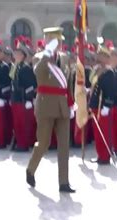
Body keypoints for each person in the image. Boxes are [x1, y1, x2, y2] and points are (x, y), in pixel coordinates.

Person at [26, 27, 76, 193]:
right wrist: (47, 53)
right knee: (44, 143)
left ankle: (64, 182)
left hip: (63, 105)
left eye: (59, 41)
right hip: (46, 104)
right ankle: (31, 169)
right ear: (46, 40)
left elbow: (68, 82)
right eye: (54, 41)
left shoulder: (65, 57)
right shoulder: (38, 57)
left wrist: (71, 102)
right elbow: (38, 75)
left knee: (64, 145)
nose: (58, 44)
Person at [89, 44, 116, 165]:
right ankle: (100, 155)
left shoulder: (109, 72)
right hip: (95, 105)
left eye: (101, 55)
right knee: (97, 133)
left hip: (103, 106)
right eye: (98, 54)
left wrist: (107, 105)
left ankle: (105, 156)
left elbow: (111, 91)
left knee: (104, 132)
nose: (98, 57)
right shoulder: (97, 70)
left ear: (106, 58)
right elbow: (94, 86)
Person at [11, 37, 36, 151]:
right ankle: (20, 142)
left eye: (18, 53)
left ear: (23, 55)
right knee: (17, 123)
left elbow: (31, 85)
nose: (15, 55)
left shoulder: (26, 68)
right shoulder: (15, 67)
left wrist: (28, 99)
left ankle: (24, 144)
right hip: (15, 98)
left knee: (24, 123)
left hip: (23, 99)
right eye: (15, 53)